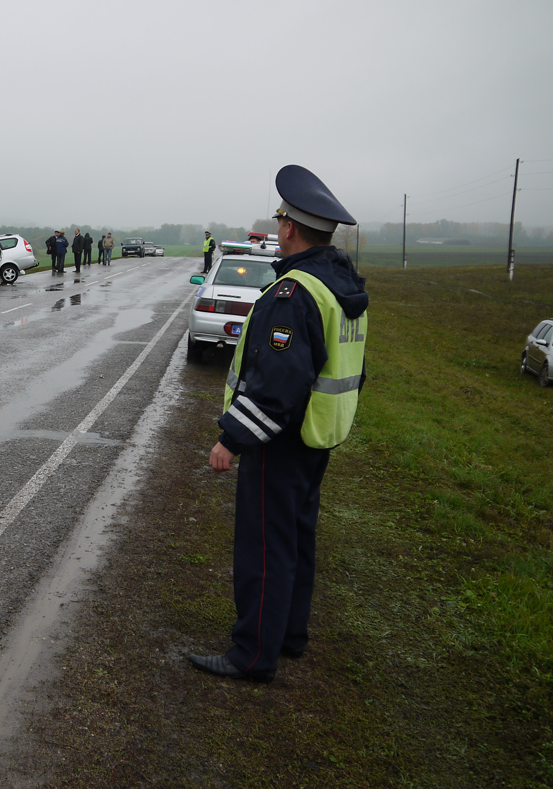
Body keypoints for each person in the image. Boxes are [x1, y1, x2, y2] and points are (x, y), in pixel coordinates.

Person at [189, 164, 368, 684]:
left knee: (265, 547)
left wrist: (233, 439)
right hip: (320, 435)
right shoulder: (342, 285)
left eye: (279, 220)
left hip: (282, 440)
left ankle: (251, 654)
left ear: (289, 228)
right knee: (295, 539)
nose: (276, 227)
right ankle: (288, 634)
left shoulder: (294, 293)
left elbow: (278, 385)